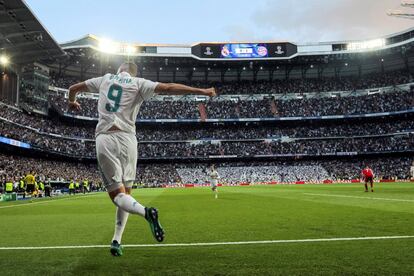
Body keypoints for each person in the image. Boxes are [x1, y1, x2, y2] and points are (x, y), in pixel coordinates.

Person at [68, 62, 216, 257]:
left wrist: (72, 101)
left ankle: (146, 213)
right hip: (128, 140)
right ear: (133, 72)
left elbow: (73, 89)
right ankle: (116, 240)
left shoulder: (104, 79)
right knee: (126, 194)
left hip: (105, 138)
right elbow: (168, 88)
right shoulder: (139, 83)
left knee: (118, 197)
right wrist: (202, 90)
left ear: (119, 69)